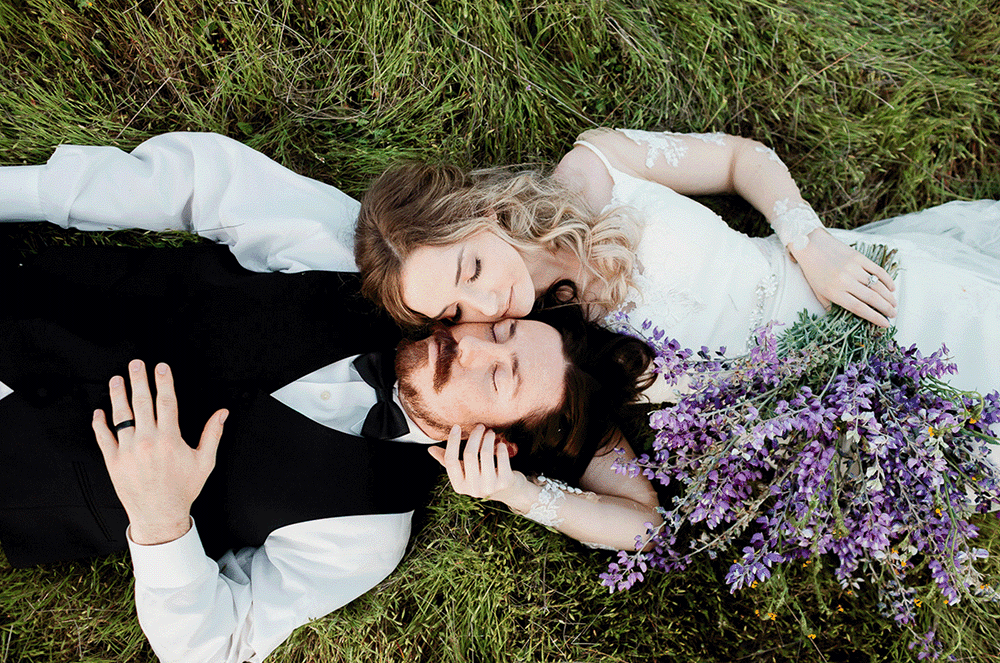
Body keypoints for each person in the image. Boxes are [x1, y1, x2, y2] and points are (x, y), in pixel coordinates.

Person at [0, 136, 659, 662]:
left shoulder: (366, 531)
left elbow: (216, 645)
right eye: (501, 330)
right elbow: (199, 181)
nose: (470, 346)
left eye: (500, 378)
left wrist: (161, 523)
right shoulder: (350, 263)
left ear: (500, 443)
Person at [353, 127, 1000, 405]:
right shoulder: (545, 345)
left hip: (839, 284)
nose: (486, 305)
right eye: (454, 311)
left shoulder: (596, 166)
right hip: (823, 403)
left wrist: (813, 244)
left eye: (471, 269)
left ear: (479, 212)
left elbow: (741, 159)